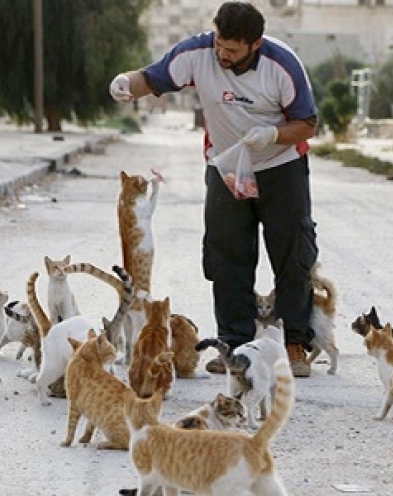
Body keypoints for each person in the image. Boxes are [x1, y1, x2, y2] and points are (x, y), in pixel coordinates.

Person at [109, 1, 319, 377]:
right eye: (220, 43)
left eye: (233, 49)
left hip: (280, 168)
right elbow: (152, 77)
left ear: (255, 44)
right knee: (227, 257)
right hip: (225, 168)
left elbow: (307, 122)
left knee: (292, 255)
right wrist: (126, 84)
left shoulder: (282, 64)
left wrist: (272, 133)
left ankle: (296, 344)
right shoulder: (198, 53)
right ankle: (233, 345)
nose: (223, 53)